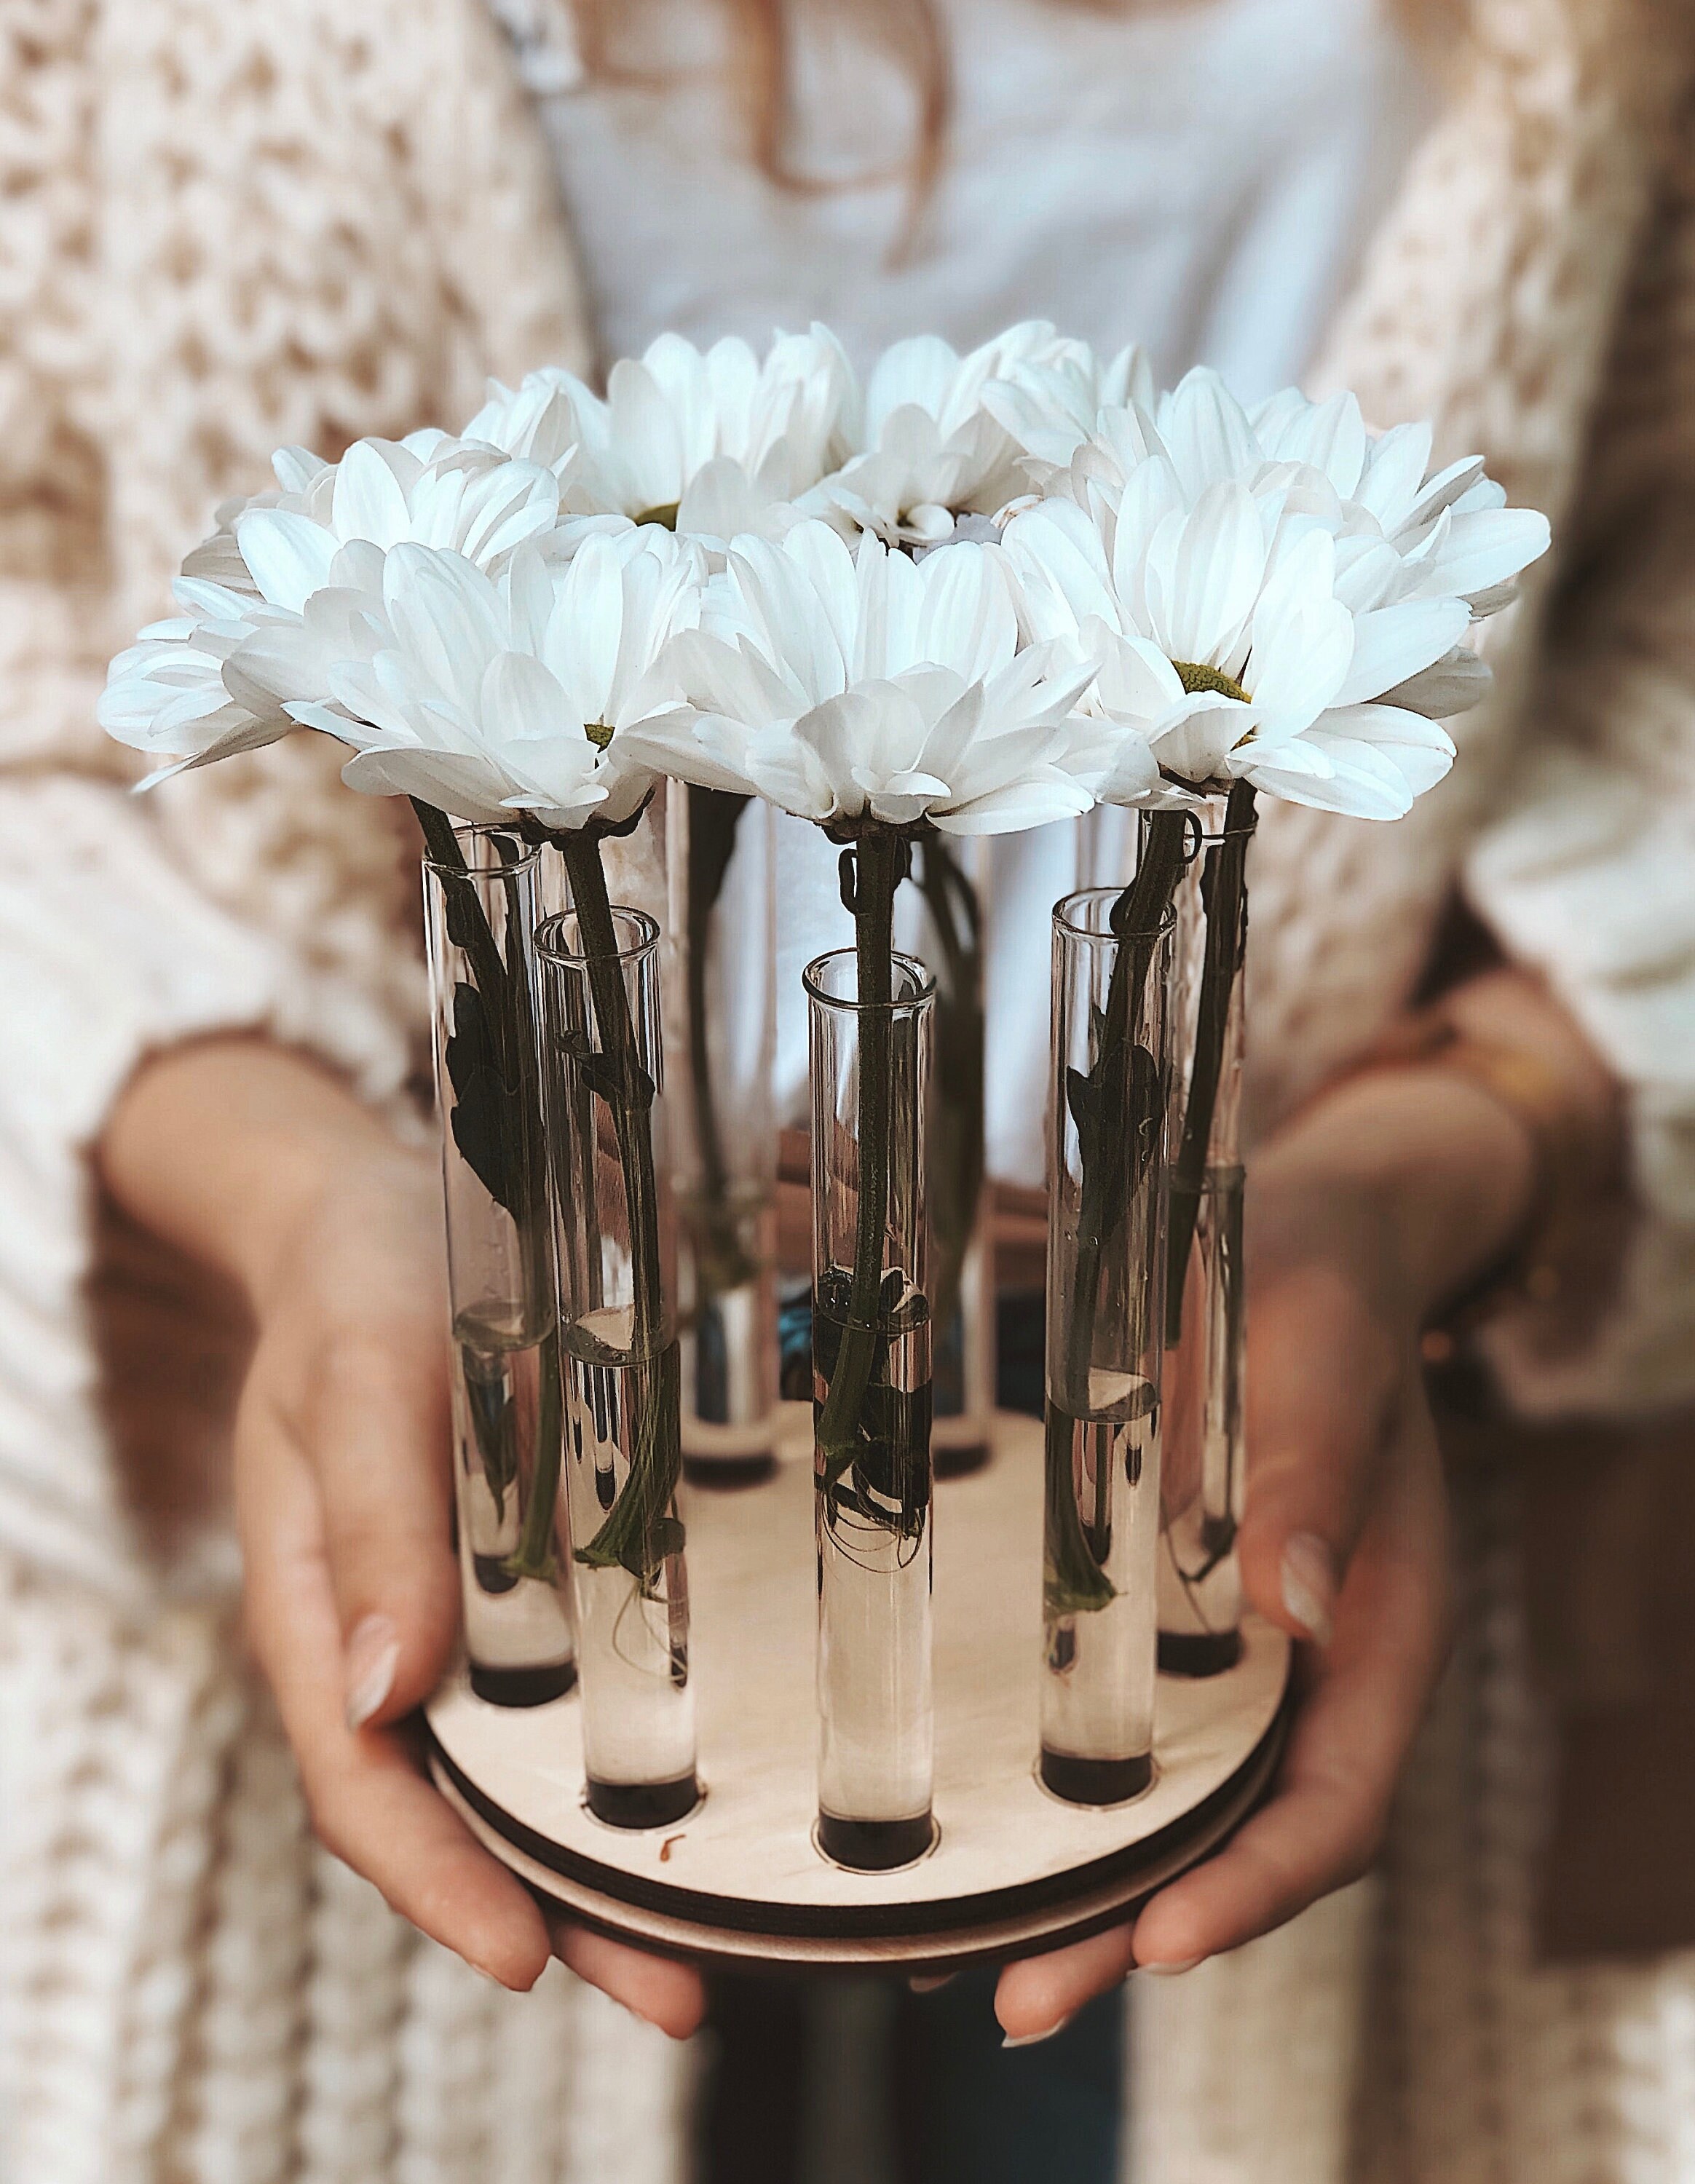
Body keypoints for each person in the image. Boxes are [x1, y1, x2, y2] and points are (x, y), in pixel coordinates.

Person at [4, 1, 1694, 2177]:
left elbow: (1662, 624)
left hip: (1298, 1500)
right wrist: (282, 1179)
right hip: (464, 1554)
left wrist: (1470, 1129)